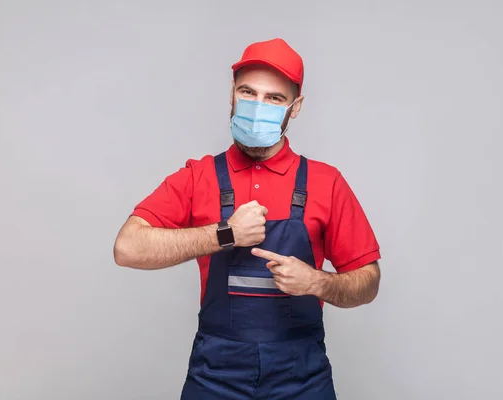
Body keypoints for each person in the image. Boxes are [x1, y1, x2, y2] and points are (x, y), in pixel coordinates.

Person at [113, 38, 381, 400]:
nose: (258, 107)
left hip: (301, 377)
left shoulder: (326, 182)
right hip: (216, 375)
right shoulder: (199, 176)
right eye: (248, 92)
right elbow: (127, 248)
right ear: (231, 95)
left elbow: (368, 283)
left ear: (295, 107)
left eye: (275, 98)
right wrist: (226, 234)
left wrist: (318, 282)